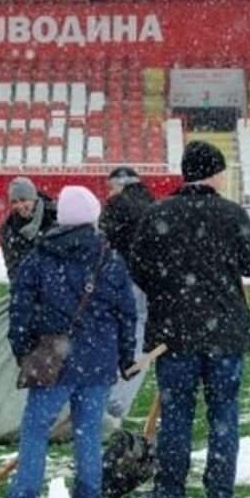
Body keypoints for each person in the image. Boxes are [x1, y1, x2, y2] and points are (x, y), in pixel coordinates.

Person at [0, 186, 137, 498]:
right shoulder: (109, 258)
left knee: (35, 431)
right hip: (98, 361)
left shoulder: (40, 256)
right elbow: (126, 313)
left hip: (53, 360)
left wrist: (24, 351)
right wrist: (125, 355)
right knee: (88, 434)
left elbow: (20, 308)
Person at [130, 141, 250, 498]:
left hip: (173, 335)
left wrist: (169, 291)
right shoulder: (231, 213)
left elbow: (138, 267)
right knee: (223, 414)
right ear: (215, 173)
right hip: (225, 333)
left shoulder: (160, 213)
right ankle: (220, 494)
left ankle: (170, 490)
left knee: (176, 414)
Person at [99, 166, 156, 418]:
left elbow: (101, 238)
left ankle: (108, 401)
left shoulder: (117, 204)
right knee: (139, 341)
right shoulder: (153, 204)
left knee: (113, 336)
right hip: (151, 281)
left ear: (120, 184)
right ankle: (120, 401)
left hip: (122, 278)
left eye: (111, 187)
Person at [0, 176, 57, 281]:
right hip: (30, 288)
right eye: (14, 202)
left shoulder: (55, 216)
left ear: (33, 198)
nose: (20, 206)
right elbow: (13, 269)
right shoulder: (8, 229)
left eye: (23, 200)